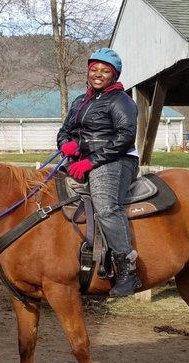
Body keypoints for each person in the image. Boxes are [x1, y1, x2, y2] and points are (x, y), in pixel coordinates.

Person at [57, 48, 142, 297]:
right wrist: (66, 145)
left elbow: (125, 137)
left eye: (105, 71)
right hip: (81, 159)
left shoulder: (121, 101)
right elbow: (65, 130)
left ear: (114, 75)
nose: (98, 74)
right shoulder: (79, 101)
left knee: (106, 207)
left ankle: (127, 270)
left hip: (117, 158)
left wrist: (90, 161)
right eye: (94, 69)